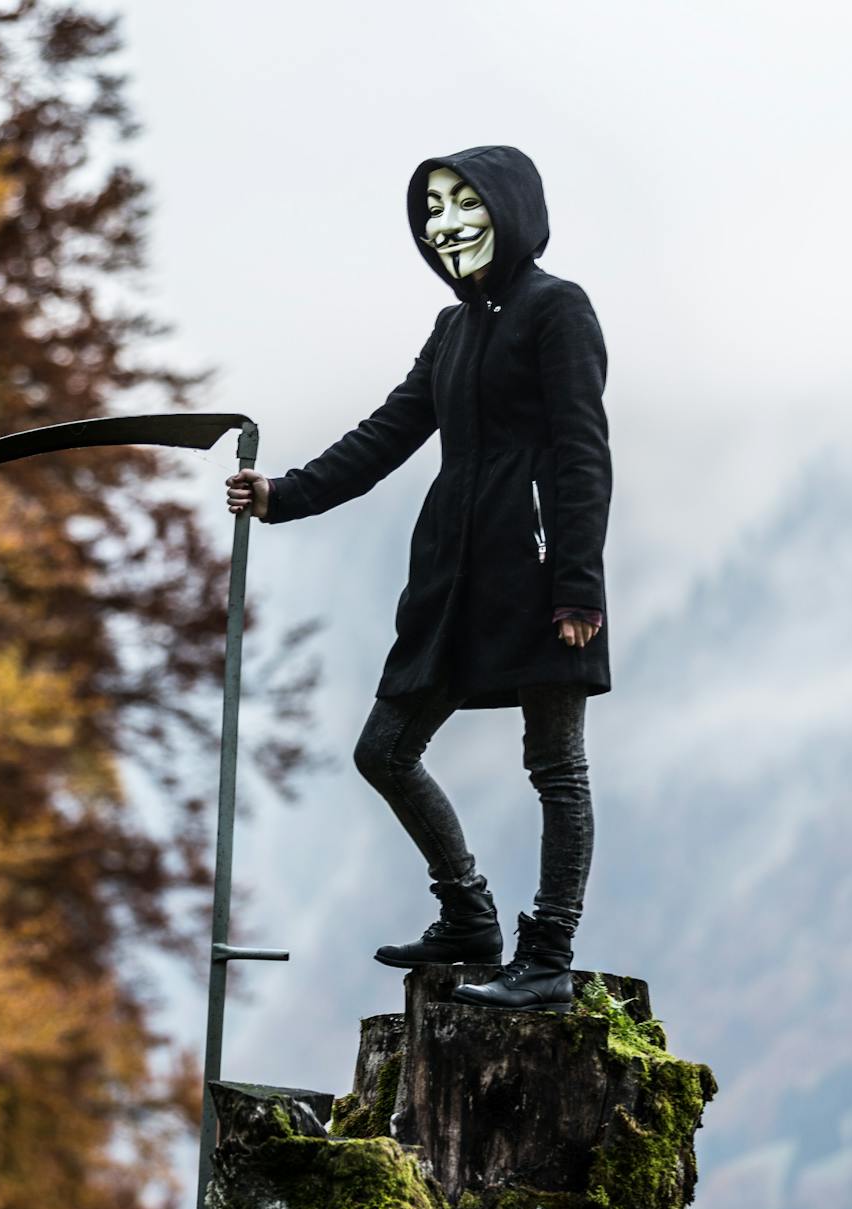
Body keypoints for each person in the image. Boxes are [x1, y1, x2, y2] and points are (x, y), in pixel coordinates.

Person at [225, 145, 611, 1012]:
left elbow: (584, 449)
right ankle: (469, 914)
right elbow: (388, 432)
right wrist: (284, 494)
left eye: (463, 201)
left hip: (542, 567)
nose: (445, 222)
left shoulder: (560, 311)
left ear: (510, 207)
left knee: (555, 765)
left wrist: (578, 584)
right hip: (451, 573)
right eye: (432, 208)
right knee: (385, 750)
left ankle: (547, 953)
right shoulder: (452, 329)